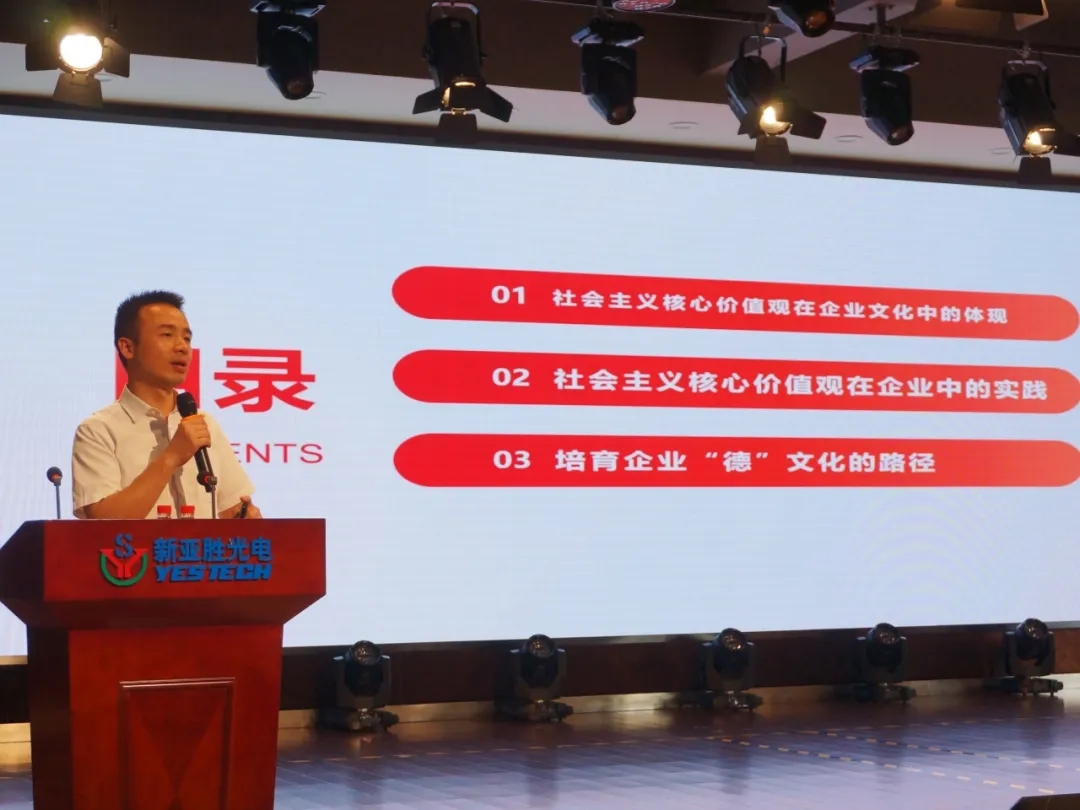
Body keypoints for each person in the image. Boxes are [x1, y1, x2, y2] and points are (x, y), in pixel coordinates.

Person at [71, 290, 262, 520]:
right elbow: (102, 521)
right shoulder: (98, 430)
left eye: (187, 338)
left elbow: (233, 510)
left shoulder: (204, 423)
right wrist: (172, 456)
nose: (182, 347)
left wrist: (246, 517)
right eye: (167, 335)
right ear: (128, 348)